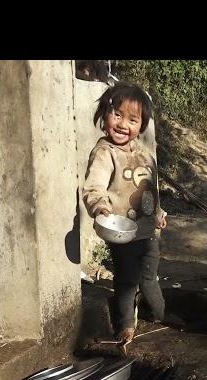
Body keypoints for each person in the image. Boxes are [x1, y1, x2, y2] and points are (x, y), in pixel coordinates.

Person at [82, 81, 167, 346]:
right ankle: (126, 324)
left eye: (132, 119)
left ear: (141, 126)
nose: (122, 124)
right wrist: (101, 207)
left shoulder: (145, 155)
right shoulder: (105, 153)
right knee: (127, 280)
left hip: (148, 232)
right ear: (105, 115)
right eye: (117, 115)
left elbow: (150, 191)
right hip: (124, 234)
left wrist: (159, 213)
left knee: (150, 279)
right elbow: (94, 186)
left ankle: (161, 315)